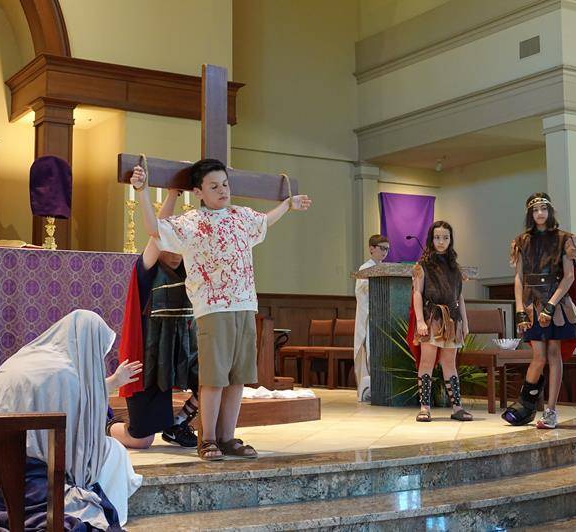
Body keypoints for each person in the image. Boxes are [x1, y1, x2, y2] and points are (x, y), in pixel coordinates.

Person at [130, 158, 311, 461]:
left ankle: (228, 437)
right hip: (213, 308)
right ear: (198, 191)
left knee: (238, 376)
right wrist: (143, 190)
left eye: (225, 184)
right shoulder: (191, 223)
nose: (222, 190)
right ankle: (208, 438)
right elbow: (153, 228)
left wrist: (288, 204)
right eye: (213, 186)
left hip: (245, 303)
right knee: (213, 377)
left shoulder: (241, 215)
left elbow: (264, 221)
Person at [0, 310, 142, 530]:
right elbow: (76, 441)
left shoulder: (30, 356)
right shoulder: (65, 374)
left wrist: (113, 381)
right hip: (24, 475)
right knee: (109, 459)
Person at [112, 189, 200, 450]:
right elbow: (158, 233)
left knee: (218, 378)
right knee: (141, 439)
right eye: (169, 248)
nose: (175, 255)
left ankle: (179, 422)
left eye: (180, 249)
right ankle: (107, 425)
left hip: (181, 352)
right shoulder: (147, 272)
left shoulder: (189, 272)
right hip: (149, 359)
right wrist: (172, 195)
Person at [502, 193, 576, 429]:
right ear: (530, 213)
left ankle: (550, 411)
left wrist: (551, 305)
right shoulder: (521, 240)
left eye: (543, 209)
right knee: (537, 356)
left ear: (550, 211)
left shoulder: (564, 239)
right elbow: (518, 277)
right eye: (535, 209)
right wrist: (519, 308)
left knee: (553, 354)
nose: (540, 213)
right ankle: (527, 404)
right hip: (531, 304)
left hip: (556, 303)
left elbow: (569, 276)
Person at [407, 221, 473, 423]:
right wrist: (420, 321)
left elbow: (459, 297)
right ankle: (425, 408)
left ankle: (457, 408)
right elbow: (417, 293)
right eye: (437, 237)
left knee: (449, 363)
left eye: (445, 237)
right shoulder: (422, 266)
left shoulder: (455, 268)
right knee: (427, 361)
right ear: (431, 239)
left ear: (451, 240)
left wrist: (465, 322)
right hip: (431, 316)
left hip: (452, 319)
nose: (441, 241)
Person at [353, 234, 390, 402]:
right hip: (369, 317)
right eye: (382, 248)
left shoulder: (384, 268)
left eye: (387, 249)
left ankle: (381, 388)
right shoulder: (365, 269)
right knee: (369, 352)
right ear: (371, 249)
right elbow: (362, 294)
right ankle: (367, 389)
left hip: (383, 318)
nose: (385, 252)